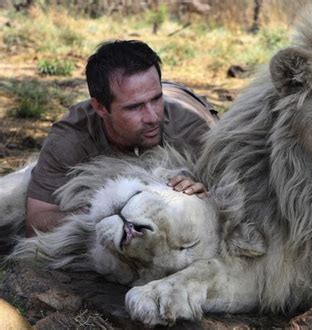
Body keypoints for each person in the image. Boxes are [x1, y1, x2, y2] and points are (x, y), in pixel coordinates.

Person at [25, 40, 218, 237]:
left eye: (156, 99)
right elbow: (36, 220)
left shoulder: (193, 130)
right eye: (134, 107)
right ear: (100, 107)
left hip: (185, 99)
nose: (153, 118)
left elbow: (236, 202)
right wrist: (104, 212)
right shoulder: (71, 138)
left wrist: (204, 196)